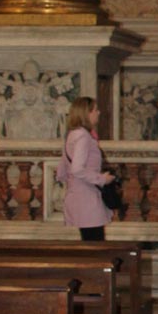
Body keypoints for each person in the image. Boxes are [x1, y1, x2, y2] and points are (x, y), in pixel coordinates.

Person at [55, 96, 114, 240]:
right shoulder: (83, 136)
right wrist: (102, 179)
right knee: (95, 242)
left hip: (77, 194)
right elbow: (77, 169)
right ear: (86, 113)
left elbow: (62, 169)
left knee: (90, 240)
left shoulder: (72, 134)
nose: (98, 112)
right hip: (86, 198)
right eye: (95, 110)